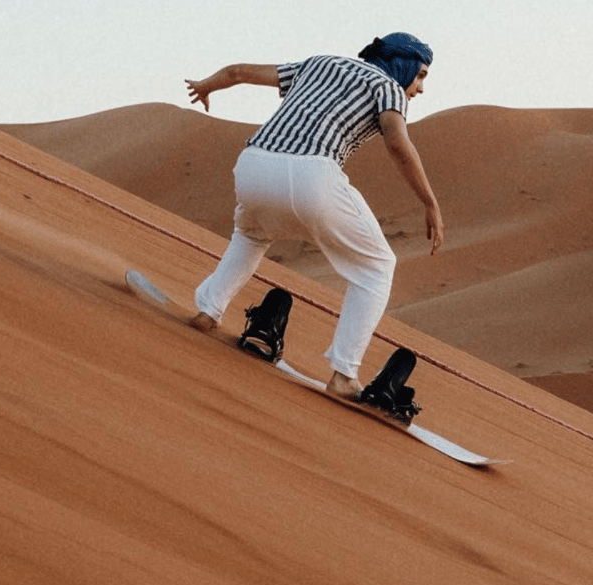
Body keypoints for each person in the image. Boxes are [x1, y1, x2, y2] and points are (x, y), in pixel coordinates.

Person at [184, 32, 444, 400]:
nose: (419, 88)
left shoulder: (320, 62)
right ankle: (344, 373)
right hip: (311, 173)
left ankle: (208, 311)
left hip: (253, 165)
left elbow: (238, 72)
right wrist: (429, 202)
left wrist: (204, 86)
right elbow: (397, 142)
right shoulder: (388, 88)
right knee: (377, 266)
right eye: (420, 76)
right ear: (401, 64)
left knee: (251, 234)